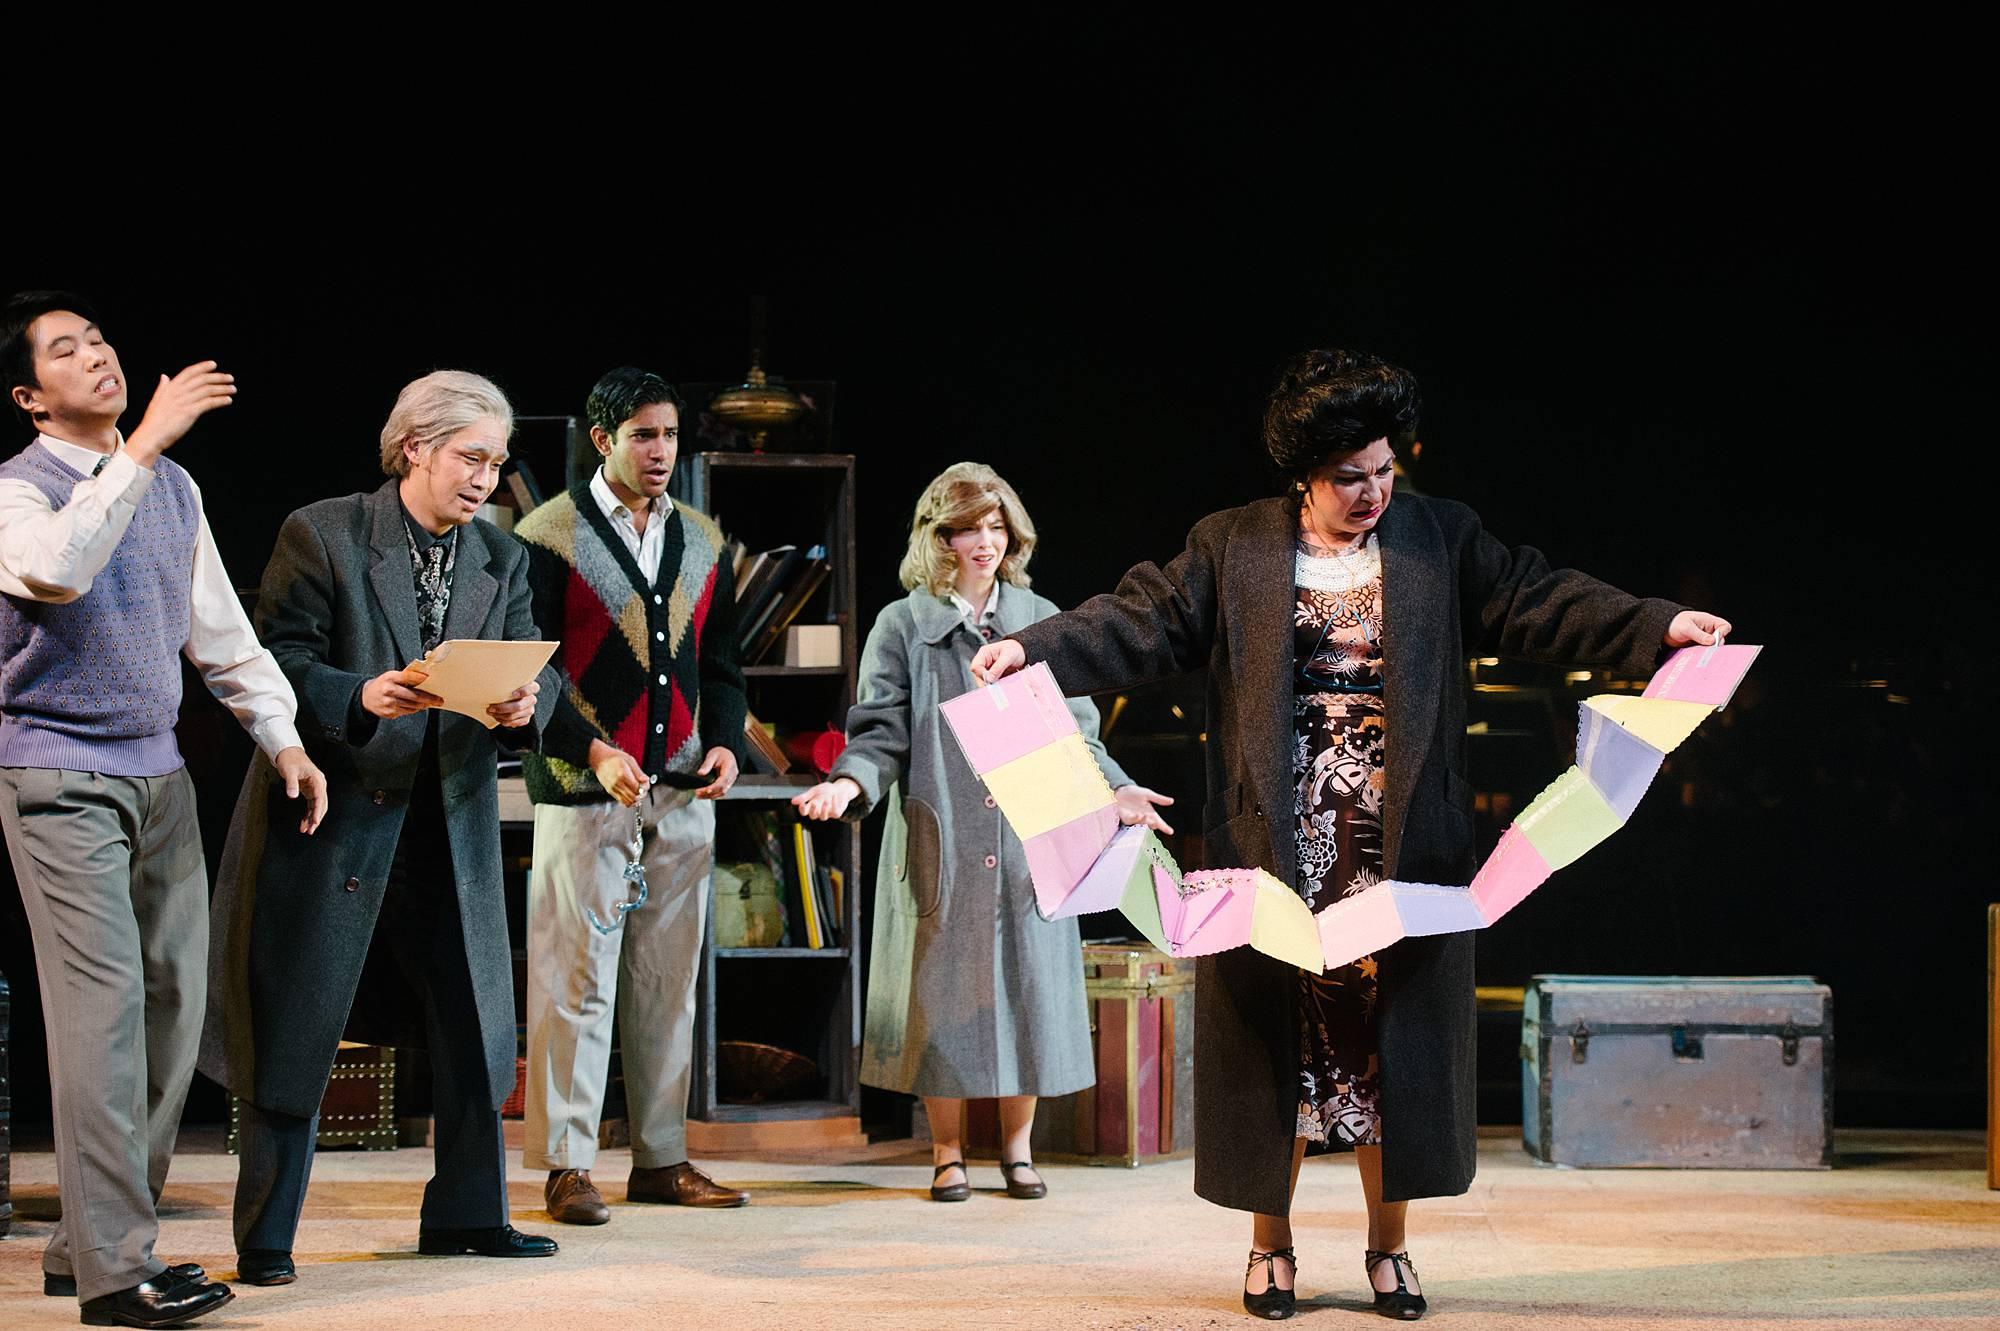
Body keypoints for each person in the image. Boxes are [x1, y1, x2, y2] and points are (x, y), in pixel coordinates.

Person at [970, 350, 1731, 1320]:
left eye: (1382, 469)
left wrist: (1655, 627)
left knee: (1390, 1047)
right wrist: (1029, 648)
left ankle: (1389, 1249)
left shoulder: (1438, 538)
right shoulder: (1232, 545)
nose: (1371, 491)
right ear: (1302, 474)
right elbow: (1140, 620)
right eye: (1347, 477)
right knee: (1272, 1050)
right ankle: (1269, 1248)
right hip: (1275, 839)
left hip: (1400, 841)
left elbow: (1538, 599)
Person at [0, 290, 326, 1327]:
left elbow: (221, 634)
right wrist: (138, 447)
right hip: (59, 780)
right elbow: (58, 569)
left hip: (162, 777)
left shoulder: (172, 487)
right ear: (29, 395)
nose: (97, 355)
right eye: (66, 350)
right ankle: (114, 1269)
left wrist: (281, 737)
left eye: (98, 338)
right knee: (100, 1022)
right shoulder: (14, 493)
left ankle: (86, 1237)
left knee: (177, 1008)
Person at [200, 370, 562, 1285]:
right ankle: (267, 1235)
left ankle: (471, 1215)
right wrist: (356, 694)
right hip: (340, 809)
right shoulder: (324, 532)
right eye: (469, 458)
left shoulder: (501, 556)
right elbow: (271, 660)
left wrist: (527, 700)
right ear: (416, 449)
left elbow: (534, 661)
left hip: (450, 816)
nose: (486, 478)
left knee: (476, 1018)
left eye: (496, 462)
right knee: (297, 1020)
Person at [794, 462, 1173, 1202]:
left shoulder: (1040, 616)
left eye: (996, 525)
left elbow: (1079, 732)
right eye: (968, 526)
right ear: (940, 536)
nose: (984, 541)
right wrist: (848, 782)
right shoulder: (904, 624)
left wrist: (1117, 787)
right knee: (943, 996)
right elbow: (879, 733)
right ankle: (946, 1152)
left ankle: (1018, 1151)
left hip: (1029, 840)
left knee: (1028, 992)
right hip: (946, 839)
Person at [514, 367, 748, 1223]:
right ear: (603, 439)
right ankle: (568, 1164)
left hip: (682, 791)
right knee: (574, 977)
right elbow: (529, 672)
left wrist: (723, 739)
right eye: (645, 435)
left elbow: (720, 663)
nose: (662, 452)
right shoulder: (546, 535)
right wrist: (589, 748)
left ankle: (662, 1155)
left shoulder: (701, 538)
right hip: (585, 789)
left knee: (667, 979)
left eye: (672, 436)